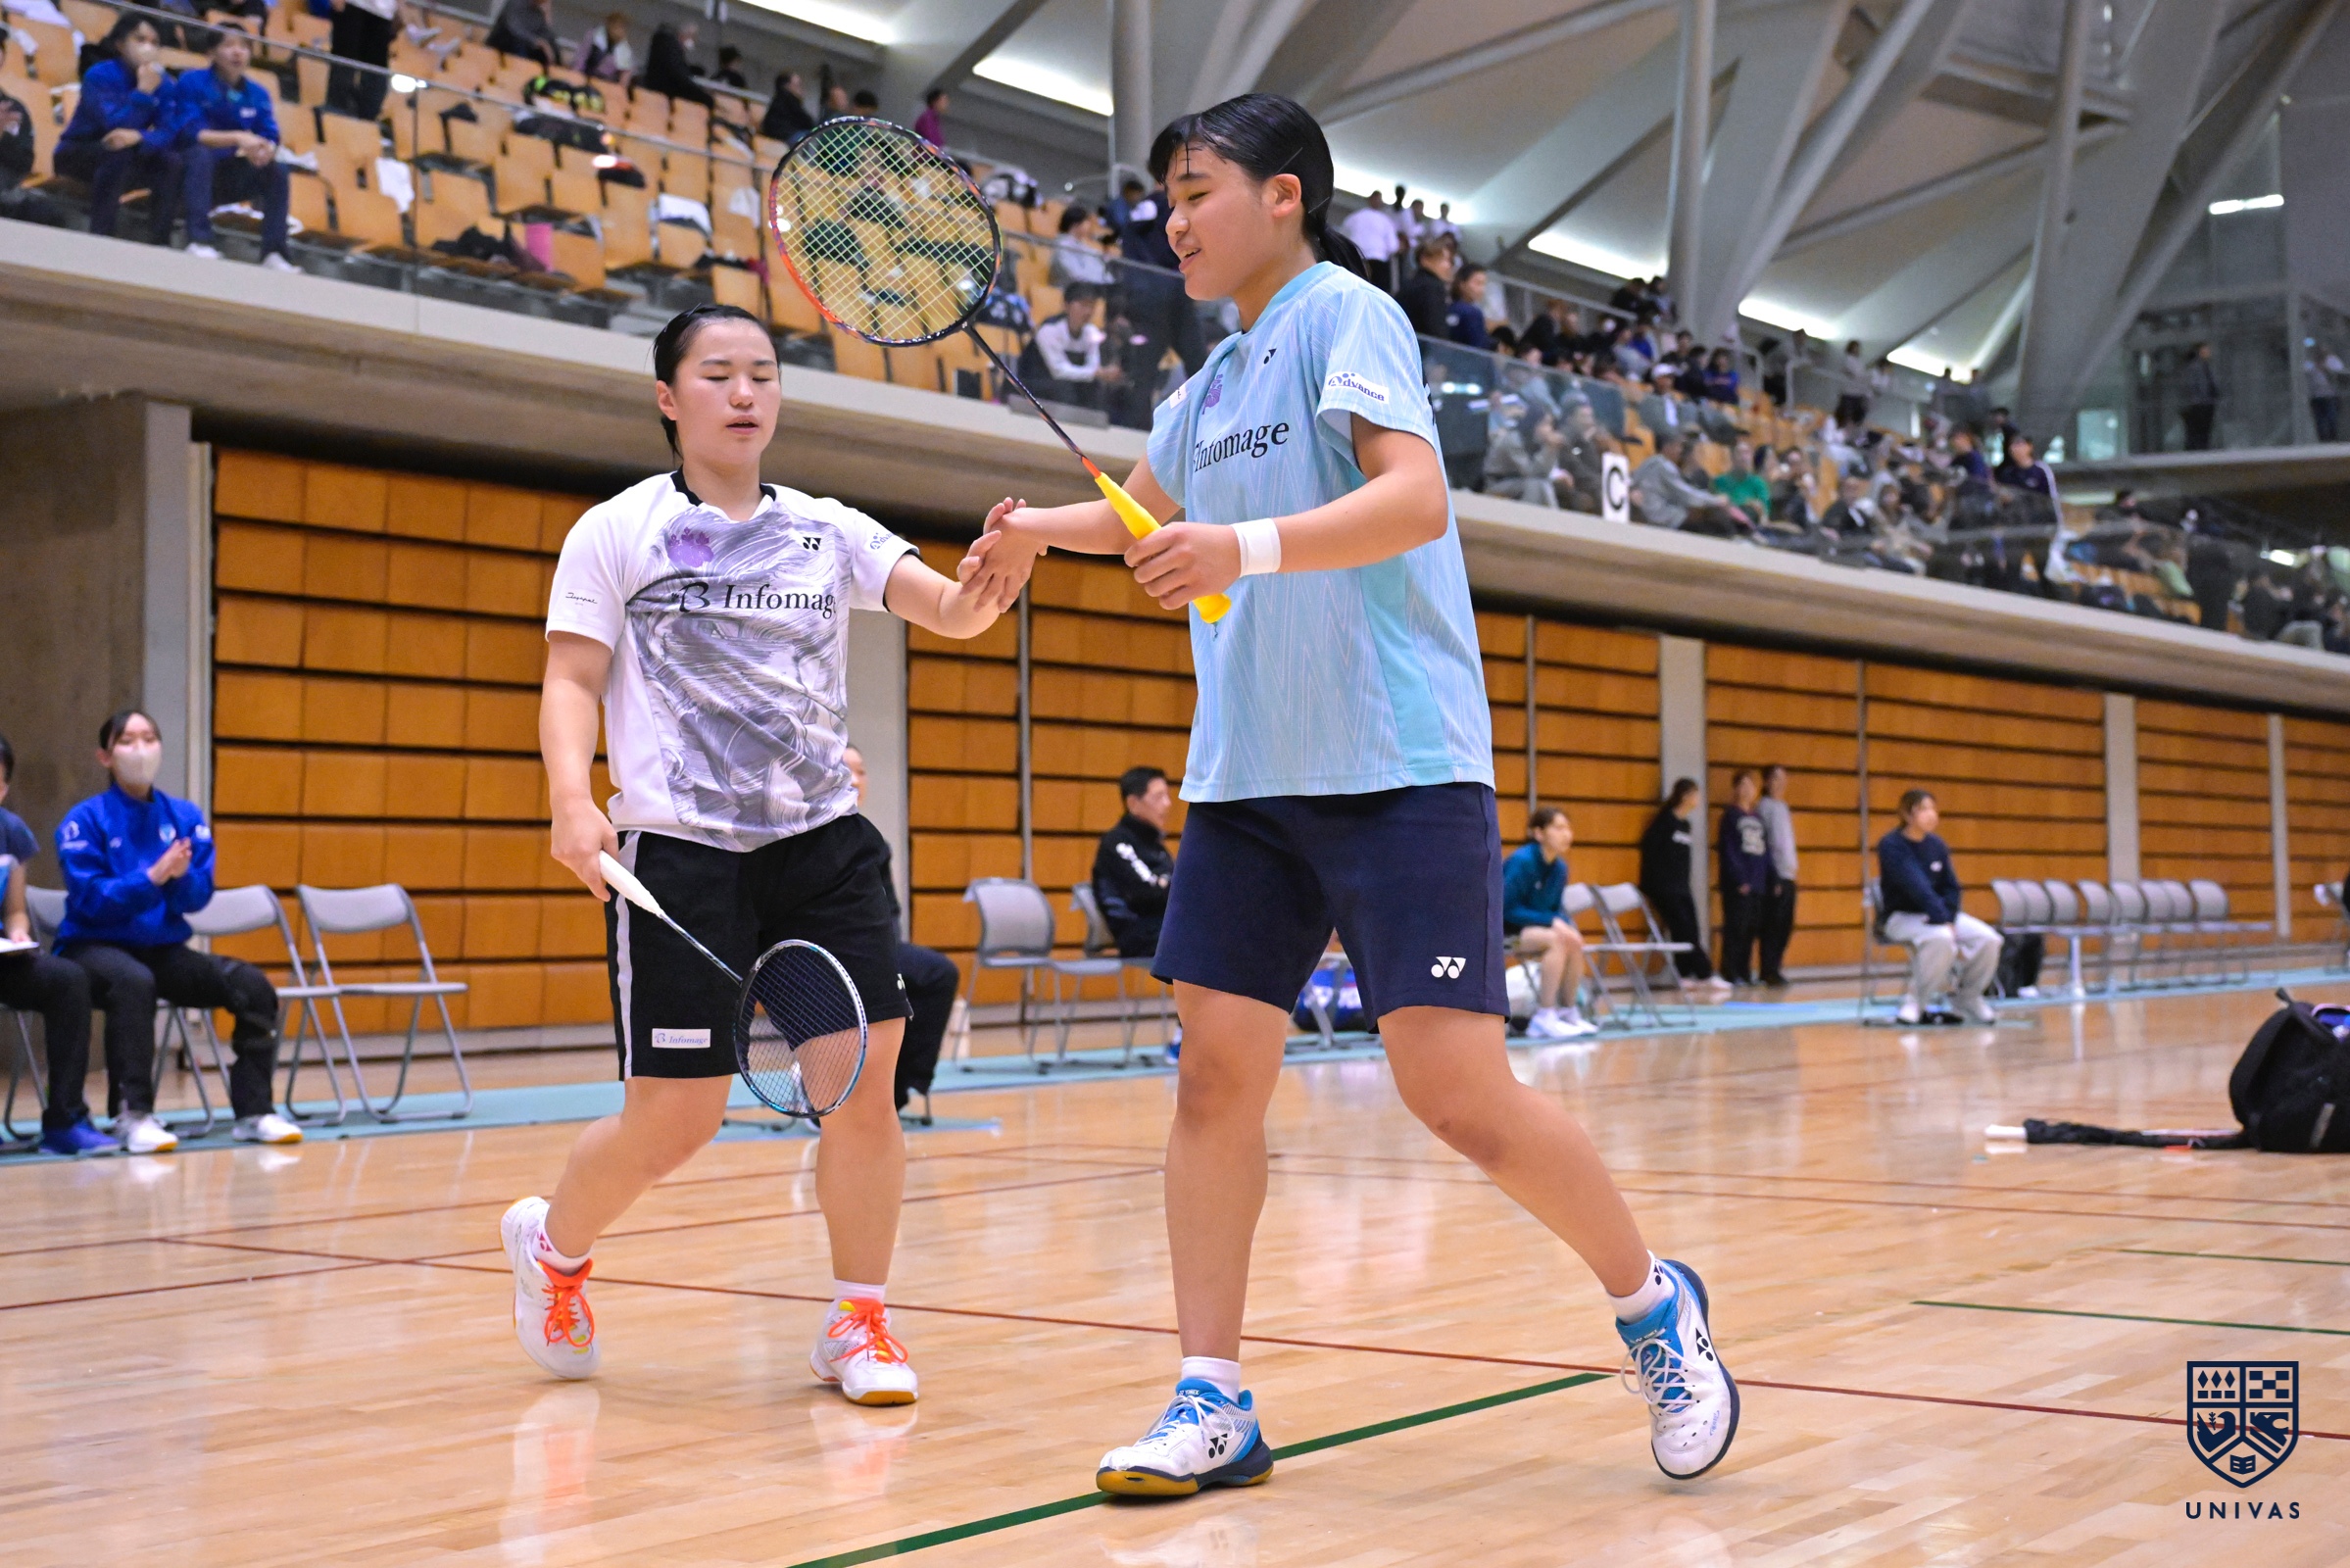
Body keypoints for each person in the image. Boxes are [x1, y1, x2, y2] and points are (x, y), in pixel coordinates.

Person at [959, 92, 1737, 1495]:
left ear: (1284, 196)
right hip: (1247, 780)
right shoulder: (1203, 389)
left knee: (1454, 1091)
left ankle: (1651, 1307)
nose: (1173, 220)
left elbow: (1413, 499)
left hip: (1397, 765)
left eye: (1197, 189)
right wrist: (1033, 535)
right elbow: (1142, 514)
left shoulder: (1345, 317)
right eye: (1165, 199)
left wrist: (1239, 550)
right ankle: (1211, 1396)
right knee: (1213, 1078)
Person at [506, 303, 1018, 1400]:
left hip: (821, 845)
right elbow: (572, 678)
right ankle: (553, 1246)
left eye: (764, 373)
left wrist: (988, 579)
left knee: (861, 1089)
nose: (745, 393)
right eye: (718, 374)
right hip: (680, 853)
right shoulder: (619, 530)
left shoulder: (829, 530)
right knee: (675, 1119)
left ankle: (859, 1321)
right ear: (668, 396)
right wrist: (571, 799)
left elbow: (949, 613)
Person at [54, 708, 300, 1153]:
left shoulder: (184, 816)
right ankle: (132, 1115)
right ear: (105, 756)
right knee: (133, 982)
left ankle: (254, 1112)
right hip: (92, 948)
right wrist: (152, 877)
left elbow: (197, 897)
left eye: (149, 738)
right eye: (127, 740)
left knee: (252, 985)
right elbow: (91, 900)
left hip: (162, 949)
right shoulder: (84, 819)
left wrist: (180, 877)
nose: (141, 749)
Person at [0, 735, 113, 1154]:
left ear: (4, 788)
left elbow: (15, 910)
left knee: (68, 980)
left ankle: (65, 1119)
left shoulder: (11, 832)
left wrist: (18, 933)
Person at [840, 745, 959, 1118]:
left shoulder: (874, 842)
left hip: (873, 950)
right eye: (846, 770)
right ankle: (831, 1086)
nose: (855, 780)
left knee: (937, 972)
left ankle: (899, 1086)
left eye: (861, 771)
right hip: (824, 954)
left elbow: (889, 911)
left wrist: (883, 953)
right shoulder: (805, 840)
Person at [171, 26, 295, 271]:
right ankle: (198, 240)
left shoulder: (258, 93)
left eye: (244, 46)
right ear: (211, 52)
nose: (238, 52)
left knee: (277, 171)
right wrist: (238, 138)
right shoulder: (191, 81)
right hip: (187, 170)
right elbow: (192, 133)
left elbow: (270, 134)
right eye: (229, 45)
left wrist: (264, 150)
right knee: (200, 155)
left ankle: (274, 253)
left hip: (229, 173)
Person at [54, 15, 181, 246]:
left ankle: (160, 242)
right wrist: (143, 92)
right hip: (81, 151)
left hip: (130, 148)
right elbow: (112, 125)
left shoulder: (163, 83)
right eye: (140, 39)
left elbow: (169, 132)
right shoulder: (99, 75)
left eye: (154, 42)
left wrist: (139, 136)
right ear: (121, 44)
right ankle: (102, 237)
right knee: (117, 152)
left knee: (170, 161)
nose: (148, 48)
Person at [1875, 790, 2000, 1024]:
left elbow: (1951, 887)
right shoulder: (1891, 845)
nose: (1931, 814)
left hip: (1939, 915)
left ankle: (1968, 998)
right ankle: (1915, 1002)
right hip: (1901, 917)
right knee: (1941, 937)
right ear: (1907, 814)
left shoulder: (1937, 845)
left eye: (1933, 808)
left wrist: (1949, 917)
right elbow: (1917, 887)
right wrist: (1943, 920)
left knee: (1989, 939)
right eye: (1923, 809)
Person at [1502, 806, 1595, 1040]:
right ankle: (1544, 1015)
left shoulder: (1559, 868)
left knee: (1573, 939)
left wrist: (1563, 923)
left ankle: (1568, 1012)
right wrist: (1551, 921)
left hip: (1531, 935)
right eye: (1558, 828)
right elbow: (1504, 908)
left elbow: (1555, 909)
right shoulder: (1522, 862)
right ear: (1539, 833)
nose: (1566, 834)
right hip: (1503, 938)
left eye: (1568, 828)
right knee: (1556, 940)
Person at [1639, 779, 1730, 998]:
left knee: (1690, 929)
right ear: (1685, 795)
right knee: (1684, 929)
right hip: (1664, 887)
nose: (1698, 799)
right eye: (1695, 794)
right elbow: (1650, 852)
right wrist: (1652, 885)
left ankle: (1684, 973)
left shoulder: (1685, 825)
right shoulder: (1664, 822)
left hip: (1681, 887)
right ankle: (1705, 973)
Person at [1091, 765, 1173, 957]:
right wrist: (1163, 883)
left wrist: (1164, 883)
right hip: (1138, 933)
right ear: (1133, 803)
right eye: (1158, 797)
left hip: (1165, 928)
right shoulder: (1117, 843)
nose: (1167, 804)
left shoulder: (1156, 846)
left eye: (1167, 796)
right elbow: (1148, 893)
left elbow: (1176, 888)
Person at [1028, 283, 1122, 410]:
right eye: (1083, 305)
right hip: (1039, 382)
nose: (1088, 312)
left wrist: (1103, 373)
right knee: (1063, 388)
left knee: (1098, 390)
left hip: (1072, 383)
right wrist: (1096, 373)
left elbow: (1093, 367)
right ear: (1066, 306)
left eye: (1092, 306)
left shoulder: (1091, 332)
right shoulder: (1049, 330)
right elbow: (1058, 371)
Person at [1715, 768, 1769, 987]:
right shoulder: (1730, 816)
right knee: (1735, 928)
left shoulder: (1758, 818)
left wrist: (1767, 879)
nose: (1747, 790)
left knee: (1751, 929)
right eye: (1743, 785)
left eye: (1751, 785)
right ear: (1736, 788)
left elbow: (1765, 851)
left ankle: (1745, 972)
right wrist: (1738, 879)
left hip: (1758, 883)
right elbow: (1728, 851)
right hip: (1738, 884)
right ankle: (1730, 971)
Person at [1, 80, 72, 227]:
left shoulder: (13, 109)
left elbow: (22, 162)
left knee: (49, 215)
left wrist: (2, 138)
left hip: (6, 185)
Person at [1755, 762, 1798, 987]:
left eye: (1783, 778)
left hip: (1788, 874)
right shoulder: (1764, 807)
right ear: (1766, 782)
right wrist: (1773, 876)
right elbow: (1766, 844)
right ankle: (1768, 970)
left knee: (1786, 924)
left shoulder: (1782, 806)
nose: (1781, 783)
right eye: (1775, 778)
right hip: (1775, 874)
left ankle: (1776, 967)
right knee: (1773, 924)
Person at [322, 0, 397, 121]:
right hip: (352, 5)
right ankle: (335, 113)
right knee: (344, 62)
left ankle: (368, 119)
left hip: (382, 12)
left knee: (376, 70)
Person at [642, 22, 715, 110]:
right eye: (693, 37)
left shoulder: (668, 47)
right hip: (663, 93)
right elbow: (678, 75)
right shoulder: (671, 47)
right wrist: (702, 95)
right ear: (685, 35)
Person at [1336, 189, 1399, 292]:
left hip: (1357, 260)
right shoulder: (1386, 221)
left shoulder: (1354, 217)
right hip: (1378, 262)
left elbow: (1341, 238)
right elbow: (1393, 246)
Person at [1395, 236, 1452, 338]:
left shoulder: (1412, 282)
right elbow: (1436, 330)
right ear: (1425, 259)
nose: (1448, 266)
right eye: (1443, 260)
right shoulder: (1432, 287)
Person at [1049, 204, 1113, 289]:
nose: (1089, 225)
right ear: (1075, 224)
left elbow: (1097, 269)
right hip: (1069, 290)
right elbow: (1073, 275)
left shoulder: (1083, 246)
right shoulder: (1061, 246)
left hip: (1090, 289)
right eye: (1086, 222)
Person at [485, 0, 557, 69]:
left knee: (546, 54)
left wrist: (547, 17)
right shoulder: (517, 3)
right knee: (520, 44)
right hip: (503, 46)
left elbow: (546, 36)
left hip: (523, 49)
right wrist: (537, 41)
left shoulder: (538, 12)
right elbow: (514, 29)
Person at [2179, 342, 2220, 451]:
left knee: (2205, 430)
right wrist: (2197, 399)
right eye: (2206, 349)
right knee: (2198, 431)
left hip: (2207, 403)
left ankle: (2203, 447)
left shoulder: (2207, 366)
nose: (2209, 352)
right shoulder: (2194, 367)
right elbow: (2192, 385)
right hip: (2199, 405)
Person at [577, 12, 633, 83]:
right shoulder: (594, 36)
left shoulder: (624, 50)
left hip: (605, 83)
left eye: (622, 28)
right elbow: (581, 57)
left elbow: (625, 74)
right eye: (616, 27)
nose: (619, 31)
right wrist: (577, 74)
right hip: (584, 74)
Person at [1445, 263, 1491, 350]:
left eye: (1484, 284)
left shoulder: (1448, 308)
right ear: (1462, 284)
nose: (1482, 289)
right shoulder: (1473, 313)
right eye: (1478, 283)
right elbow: (1478, 347)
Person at [760, 71, 813, 141]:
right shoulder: (789, 101)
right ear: (787, 86)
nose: (802, 89)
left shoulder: (779, 101)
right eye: (798, 85)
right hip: (786, 136)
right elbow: (806, 121)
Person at [2306, 345, 2342, 444]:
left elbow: (2339, 373)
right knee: (2319, 420)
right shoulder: (2311, 363)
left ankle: (2333, 439)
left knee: (2331, 418)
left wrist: (2326, 369)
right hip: (2316, 396)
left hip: (2330, 395)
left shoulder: (2333, 361)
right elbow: (2306, 371)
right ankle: (2322, 440)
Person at [1834, 339, 1871, 429]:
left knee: (1857, 416)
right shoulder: (1847, 359)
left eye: (1857, 348)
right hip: (1848, 392)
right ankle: (1839, 428)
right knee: (1845, 414)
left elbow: (1862, 374)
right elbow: (1855, 374)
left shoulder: (1859, 361)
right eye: (1855, 348)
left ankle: (1851, 431)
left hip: (1858, 392)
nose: (1856, 350)